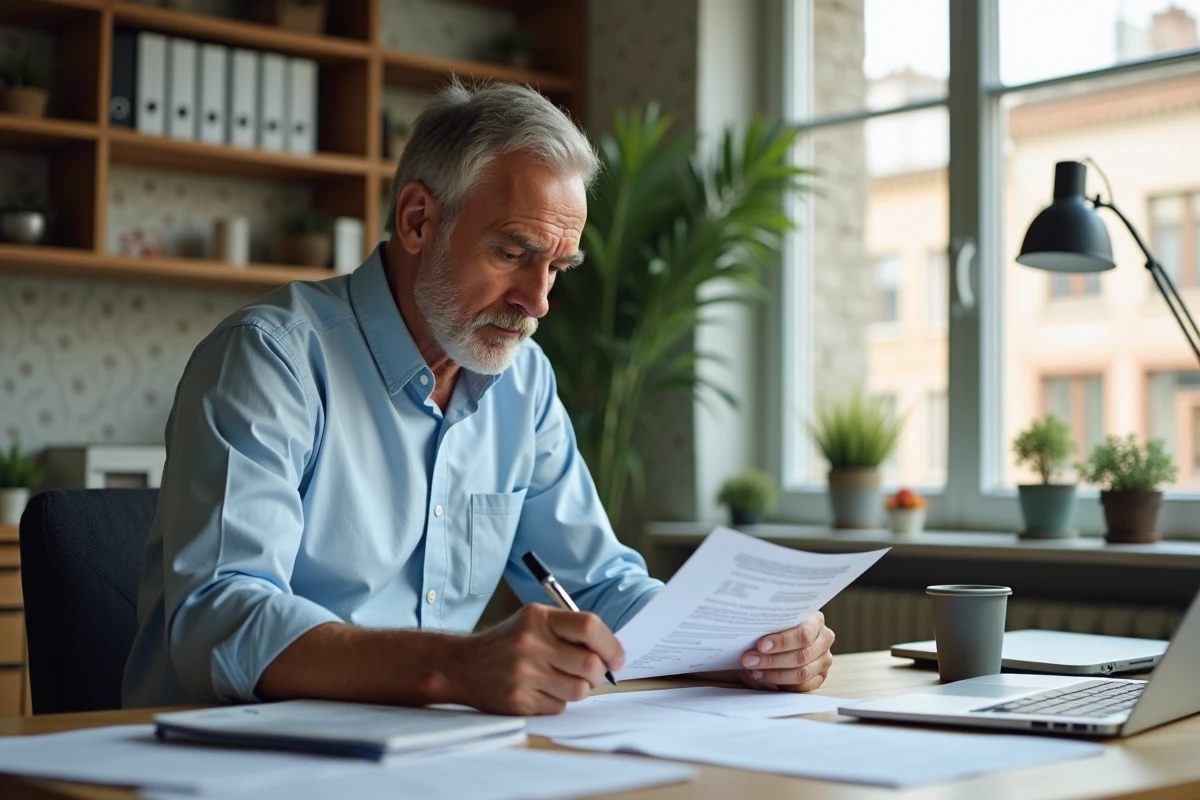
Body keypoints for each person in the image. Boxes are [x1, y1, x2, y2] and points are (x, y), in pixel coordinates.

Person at [122, 80, 835, 714]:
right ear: (417, 220)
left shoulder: (523, 382)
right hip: (217, 759)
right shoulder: (270, 358)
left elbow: (596, 588)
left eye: (557, 268)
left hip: (422, 760)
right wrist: (454, 668)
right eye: (513, 253)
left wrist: (744, 643)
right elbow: (219, 618)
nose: (538, 301)